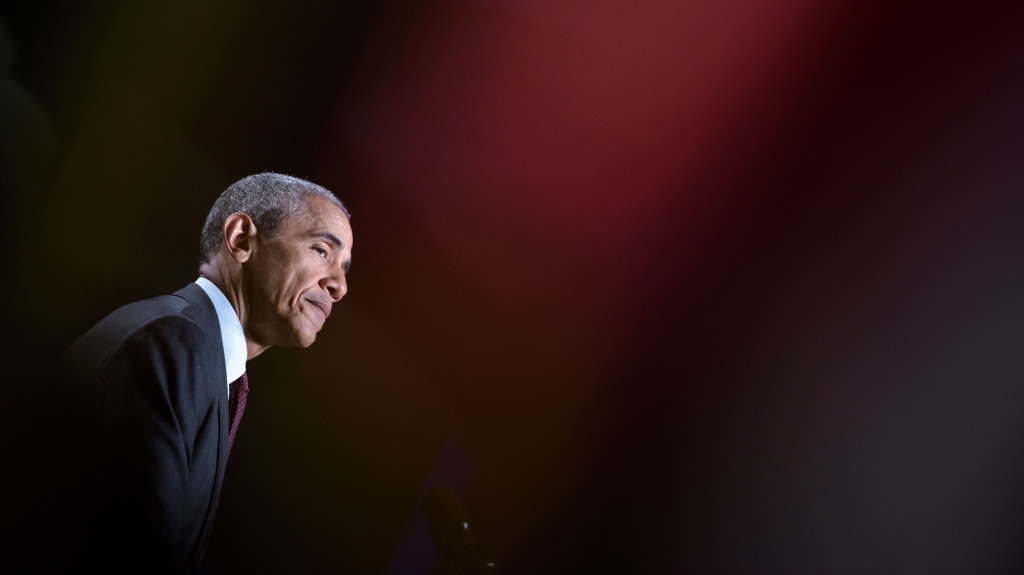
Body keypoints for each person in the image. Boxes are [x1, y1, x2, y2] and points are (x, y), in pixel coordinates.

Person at [47, 173, 353, 573]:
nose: (339, 286)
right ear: (242, 239)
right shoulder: (172, 341)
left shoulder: (204, 360)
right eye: (321, 251)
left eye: (345, 269)